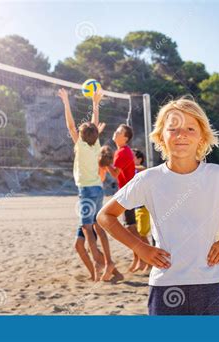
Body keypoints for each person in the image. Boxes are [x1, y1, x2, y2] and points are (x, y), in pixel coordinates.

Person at [97, 96, 219, 315]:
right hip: (165, 286)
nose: (182, 135)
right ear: (161, 136)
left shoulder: (218, 176)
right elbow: (105, 216)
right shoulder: (148, 179)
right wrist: (140, 247)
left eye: (191, 128)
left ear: (202, 137)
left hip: (212, 286)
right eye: (173, 129)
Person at [58, 88, 122, 282]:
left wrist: (66, 102)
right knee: (96, 227)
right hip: (98, 189)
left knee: (87, 228)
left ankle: (97, 261)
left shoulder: (82, 146)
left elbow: (70, 125)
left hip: (86, 190)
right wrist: (95, 103)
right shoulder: (96, 145)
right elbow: (94, 124)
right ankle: (108, 262)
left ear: (81, 136)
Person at [103, 124, 141, 272]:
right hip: (129, 193)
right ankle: (138, 258)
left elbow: (115, 174)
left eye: (119, 131)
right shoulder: (125, 151)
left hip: (127, 194)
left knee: (130, 228)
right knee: (130, 227)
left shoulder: (121, 152)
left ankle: (141, 257)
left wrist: (105, 163)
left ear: (125, 137)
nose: (115, 132)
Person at [132, 148, 151, 272]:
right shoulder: (133, 171)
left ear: (139, 159)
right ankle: (142, 261)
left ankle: (149, 261)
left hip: (143, 207)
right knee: (139, 236)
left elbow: (145, 170)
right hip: (136, 207)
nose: (130, 158)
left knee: (142, 235)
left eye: (132, 156)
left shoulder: (142, 170)